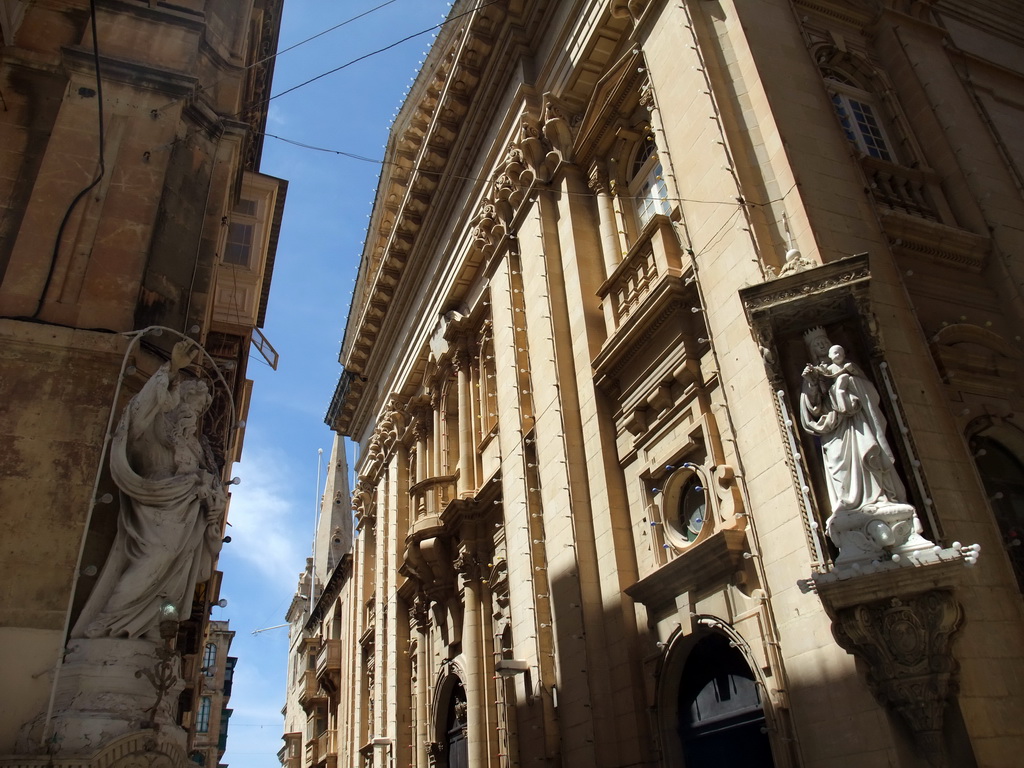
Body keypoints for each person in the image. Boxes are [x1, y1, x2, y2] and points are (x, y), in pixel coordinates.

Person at [72, 341, 225, 640]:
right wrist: (171, 370)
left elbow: (210, 485)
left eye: (197, 409)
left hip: (187, 517)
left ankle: (156, 629)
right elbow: (139, 409)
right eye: (188, 404)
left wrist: (213, 504)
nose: (192, 414)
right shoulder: (153, 428)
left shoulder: (195, 447)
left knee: (174, 580)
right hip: (156, 503)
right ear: (175, 402)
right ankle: (108, 622)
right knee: (155, 559)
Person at [799, 328, 908, 517]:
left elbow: (867, 389)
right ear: (812, 351)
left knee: (867, 454)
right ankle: (849, 505)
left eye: (824, 341)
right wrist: (812, 383)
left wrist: (848, 385)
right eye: (817, 344)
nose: (822, 345)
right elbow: (813, 406)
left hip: (856, 420)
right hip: (834, 428)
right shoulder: (813, 374)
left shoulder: (849, 367)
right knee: (840, 465)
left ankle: (879, 497)